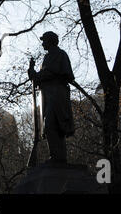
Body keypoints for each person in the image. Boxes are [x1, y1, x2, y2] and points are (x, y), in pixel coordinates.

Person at [28, 31, 75, 164]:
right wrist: (32, 70)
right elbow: (40, 77)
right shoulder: (47, 57)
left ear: (50, 41)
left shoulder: (60, 54)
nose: (43, 43)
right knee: (50, 125)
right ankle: (57, 156)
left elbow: (51, 73)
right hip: (48, 95)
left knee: (52, 124)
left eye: (45, 41)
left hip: (57, 94)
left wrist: (38, 75)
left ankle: (58, 157)